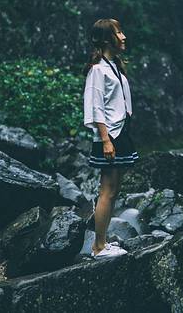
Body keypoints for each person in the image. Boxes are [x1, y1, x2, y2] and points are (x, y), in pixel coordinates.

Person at [82, 18, 139, 258]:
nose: (123, 37)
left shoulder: (114, 65)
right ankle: (98, 247)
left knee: (113, 191)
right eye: (118, 33)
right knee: (107, 190)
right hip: (110, 135)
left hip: (120, 132)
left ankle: (102, 242)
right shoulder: (98, 70)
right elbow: (95, 107)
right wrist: (105, 140)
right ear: (107, 39)